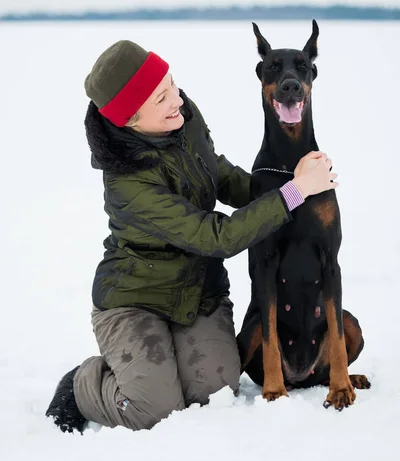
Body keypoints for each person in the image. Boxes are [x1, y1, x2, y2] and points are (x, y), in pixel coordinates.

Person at [45, 39, 337, 434]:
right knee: (153, 410)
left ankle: (162, 366)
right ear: (130, 121)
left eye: (172, 85)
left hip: (198, 293)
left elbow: (220, 174)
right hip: (136, 301)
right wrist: (294, 193)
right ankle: (83, 384)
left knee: (215, 391)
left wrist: (289, 186)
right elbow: (215, 236)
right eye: (161, 98)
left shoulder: (183, 119)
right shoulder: (128, 184)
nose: (176, 101)